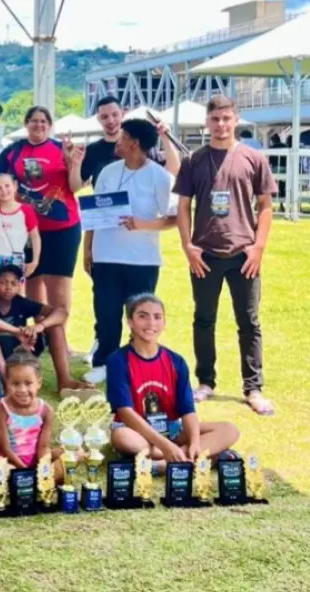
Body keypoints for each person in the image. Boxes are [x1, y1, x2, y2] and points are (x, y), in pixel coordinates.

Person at [174, 95, 276, 416]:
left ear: (236, 120)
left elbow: (266, 206)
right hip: (204, 254)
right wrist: (188, 246)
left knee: (249, 321)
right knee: (204, 319)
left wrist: (258, 247)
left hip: (243, 254)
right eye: (215, 119)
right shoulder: (194, 161)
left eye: (227, 118)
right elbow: (182, 207)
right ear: (207, 122)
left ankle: (253, 387)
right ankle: (205, 381)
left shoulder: (253, 158)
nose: (221, 125)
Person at [68, 95, 180, 363]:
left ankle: (137, 363)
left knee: (140, 314)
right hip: (106, 258)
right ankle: (104, 362)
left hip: (142, 260)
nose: (117, 140)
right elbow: (94, 214)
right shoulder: (107, 172)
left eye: (123, 137)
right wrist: (88, 250)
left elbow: (174, 219)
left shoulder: (159, 176)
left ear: (135, 143)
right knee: (106, 315)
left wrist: (143, 224)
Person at [107, 293, 240, 473]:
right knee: (122, 438)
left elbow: (187, 410)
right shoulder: (118, 360)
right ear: (130, 322)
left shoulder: (176, 361)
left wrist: (193, 442)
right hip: (137, 431)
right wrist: (166, 446)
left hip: (172, 431)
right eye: (142, 316)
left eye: (157, 317)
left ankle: (165, 463)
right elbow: (125, 413)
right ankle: (193, 458)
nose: (151, 323)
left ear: (164, 322)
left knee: (229, 430)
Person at [0, 106, 80, 363]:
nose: (38, 125)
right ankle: (38, 339)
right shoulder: (13, 151)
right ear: (26, 123)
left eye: (43, 121)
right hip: (26, 229)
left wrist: (73, 162)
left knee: (59, 288)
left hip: (62, 227)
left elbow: (75, 186)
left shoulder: (61, 149)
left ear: (50, 124)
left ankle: (60, 342)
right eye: (33, 121)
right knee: (32, 286)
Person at [0, 265, 94, 395]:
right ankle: (8, 385)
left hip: (20, 350)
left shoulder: (21, 302)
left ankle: (64, 381)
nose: (8, 287)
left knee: (55, 326)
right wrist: (15, 331)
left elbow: (61, 313)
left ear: (19, 286)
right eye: (3, 282)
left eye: (13, 283)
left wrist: (39, 326)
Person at [0, 352, 65, 480]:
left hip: (37, 458)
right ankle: (33, 478)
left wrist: (41, 466)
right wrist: (23, 468)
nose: (22, 390)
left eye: (28, 383)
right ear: (7, 383)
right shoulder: (1, 409)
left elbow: (43, 447)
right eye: (15, 384)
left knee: (74, 453)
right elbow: (5, 447)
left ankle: (36, 478)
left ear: (38, 383)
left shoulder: (46, 410)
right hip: (10, 461)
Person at [0, 173, 41, 279]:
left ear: (15, 186)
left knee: (16, 292)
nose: (4, 191)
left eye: (7, 186)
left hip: (17, 259)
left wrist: (35, 261)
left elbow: (35, 236)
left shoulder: (26, 210)